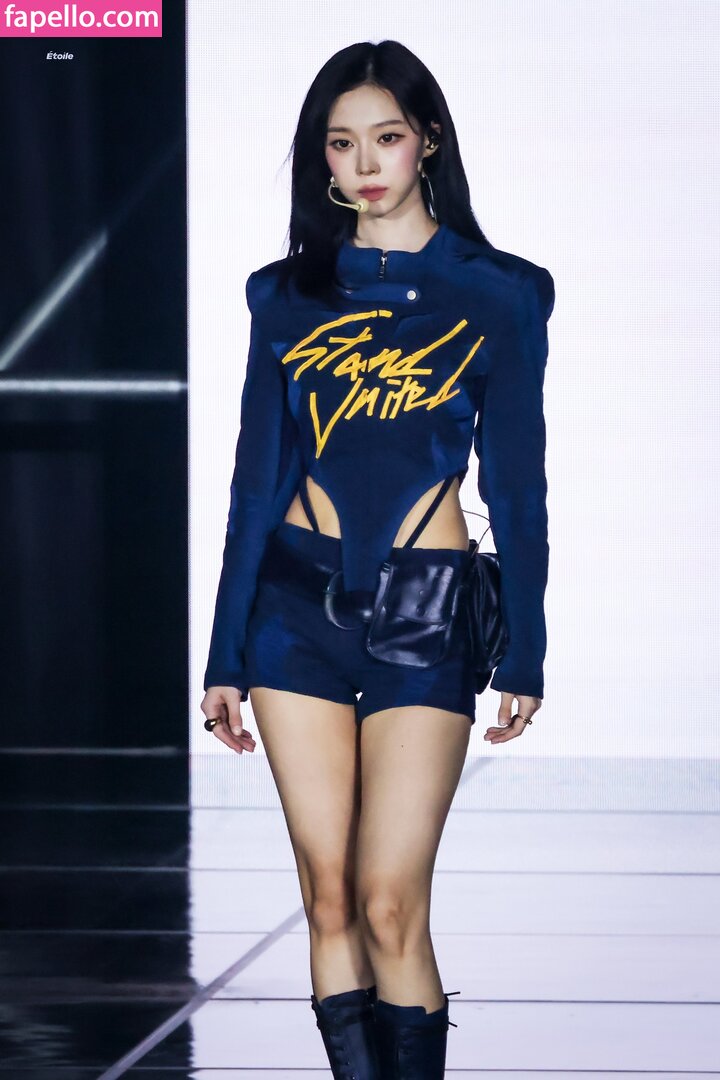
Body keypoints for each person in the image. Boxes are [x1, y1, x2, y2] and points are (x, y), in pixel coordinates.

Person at [200, 39, 555, 1079]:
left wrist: (526, 649)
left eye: (386, 137)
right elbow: (254, 487)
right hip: (290, 611)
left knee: (392, 901)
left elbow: (518, 490)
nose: (364, 163)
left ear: (426, 141)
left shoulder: (501, 294)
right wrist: (224, 654)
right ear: (321, 157)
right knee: (328, 899)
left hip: (427, 612)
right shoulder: (283, 297)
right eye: (341, 142)